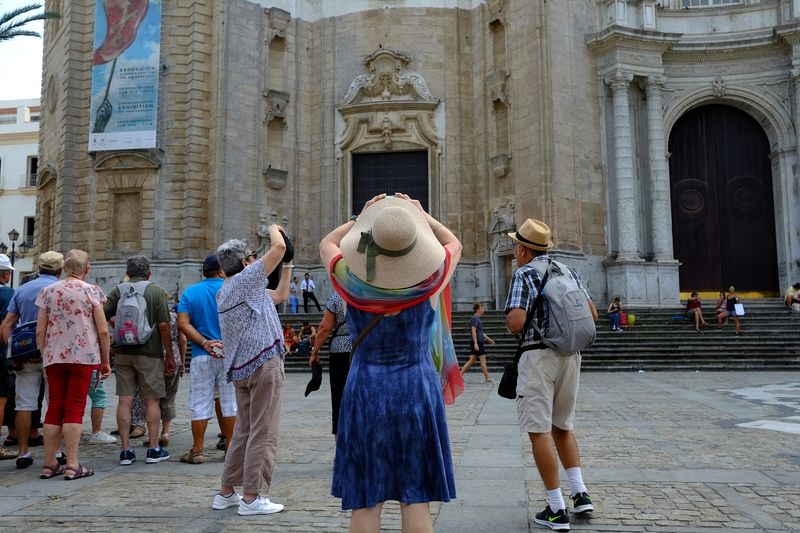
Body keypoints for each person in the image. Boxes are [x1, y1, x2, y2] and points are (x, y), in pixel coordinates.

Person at [319, 193, 462, 532]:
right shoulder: (432, 279)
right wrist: (422, 215)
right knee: (416, 496)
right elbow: (454, 243)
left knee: (366, 499)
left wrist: (361, 217)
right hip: (416, 387)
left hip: (365, 387)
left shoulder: (349, 279)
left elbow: (326, 243)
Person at [504, 217, 598, 531]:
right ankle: (580, 494)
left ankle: (556, 508)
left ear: (523, 249)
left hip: (538, 357)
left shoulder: (524, 274)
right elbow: (592, 314)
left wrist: (512, 320)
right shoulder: (568, 270)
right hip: (570, 356)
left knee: (539, 430)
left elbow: (517, 322)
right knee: (563, 426)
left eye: (515, 245)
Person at [211, 230, 291, 516]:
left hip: (242, 369)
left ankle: (226, 492)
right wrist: (275, 228)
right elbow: (278, 246)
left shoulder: (227, 290)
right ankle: (252, 497)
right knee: (264, 430)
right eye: (253, 257)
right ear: (245, 263)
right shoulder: (245, 280)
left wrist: (289, 265)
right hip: (263, 363)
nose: (256, 260)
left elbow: (279, 295)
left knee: (244, 431)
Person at [34, 250, 112, 480]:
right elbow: (103, 330)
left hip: (55, 357)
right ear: (86, 269)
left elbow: (40, 330)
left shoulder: (48, 291)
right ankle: (72, 464)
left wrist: (45, 356)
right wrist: (105, 360)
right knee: (75, 408)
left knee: (54, 407)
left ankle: (49, 464)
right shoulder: (91, 291)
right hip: (83, 356)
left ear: (64, 268)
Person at [104, 255, 175, 466]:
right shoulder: (155, 290)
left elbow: (101, 313)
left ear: (127, 273)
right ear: (149, 273)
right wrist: (169, 355)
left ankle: (125, 450)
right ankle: (153, 448)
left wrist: (114, 330)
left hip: (123, 353)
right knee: (152, 400)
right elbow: (164, 325)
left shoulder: (118, 290)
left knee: (124, 400)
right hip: (150, 354)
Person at [0, 251, 64, 469]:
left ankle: (23, 452)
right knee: (54, 403)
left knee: (24, 404)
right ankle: (55, 451)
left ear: (39, 267)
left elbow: (6, 325)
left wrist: (11, 353)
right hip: (54, 354)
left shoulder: (23, 289)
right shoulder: (60, 289)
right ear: (60, 270)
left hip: (26, 354)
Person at [177, 255, 236, 465]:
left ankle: (197, 450)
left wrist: (204, 342)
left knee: (199, 402)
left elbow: (182, 323)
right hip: (229, 354)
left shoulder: (190, 292)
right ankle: (230, 447)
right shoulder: (232, 289)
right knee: (230, 403)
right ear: (222, 270)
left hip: (202, 354)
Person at [308, 290, 351, 436]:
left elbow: (325, 328)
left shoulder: (338, 296)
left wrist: (314, 352)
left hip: (341, 353)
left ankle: (340, 440)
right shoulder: (368, 293)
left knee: (339, 397)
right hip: (364, 349)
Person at [158, 296, 186, 448]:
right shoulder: (176, 317)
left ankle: (152, 435)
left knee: (153, 398)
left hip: (155, 357)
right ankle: (165, 432)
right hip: (174, 356)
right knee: (169, 396)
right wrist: (182, 361)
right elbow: (183, 340)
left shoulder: (152, 317)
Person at [0, 254, 19, 459]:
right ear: (5, 274)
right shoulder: (8, 294)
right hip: (1, 353)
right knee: (1, 400)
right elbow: (7, 325)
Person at [460, 302, 495, 382]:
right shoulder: (475, 318)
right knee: (482, 359)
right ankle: (487, 378)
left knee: (472, 360)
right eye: (482, 308)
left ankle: (460, 374)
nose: (483, 310)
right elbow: (473, 331)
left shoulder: (477, 318)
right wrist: (476, 343)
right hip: (477, 342)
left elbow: (480, 332)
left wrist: (488, 339)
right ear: (478, 309)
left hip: (478, 341)